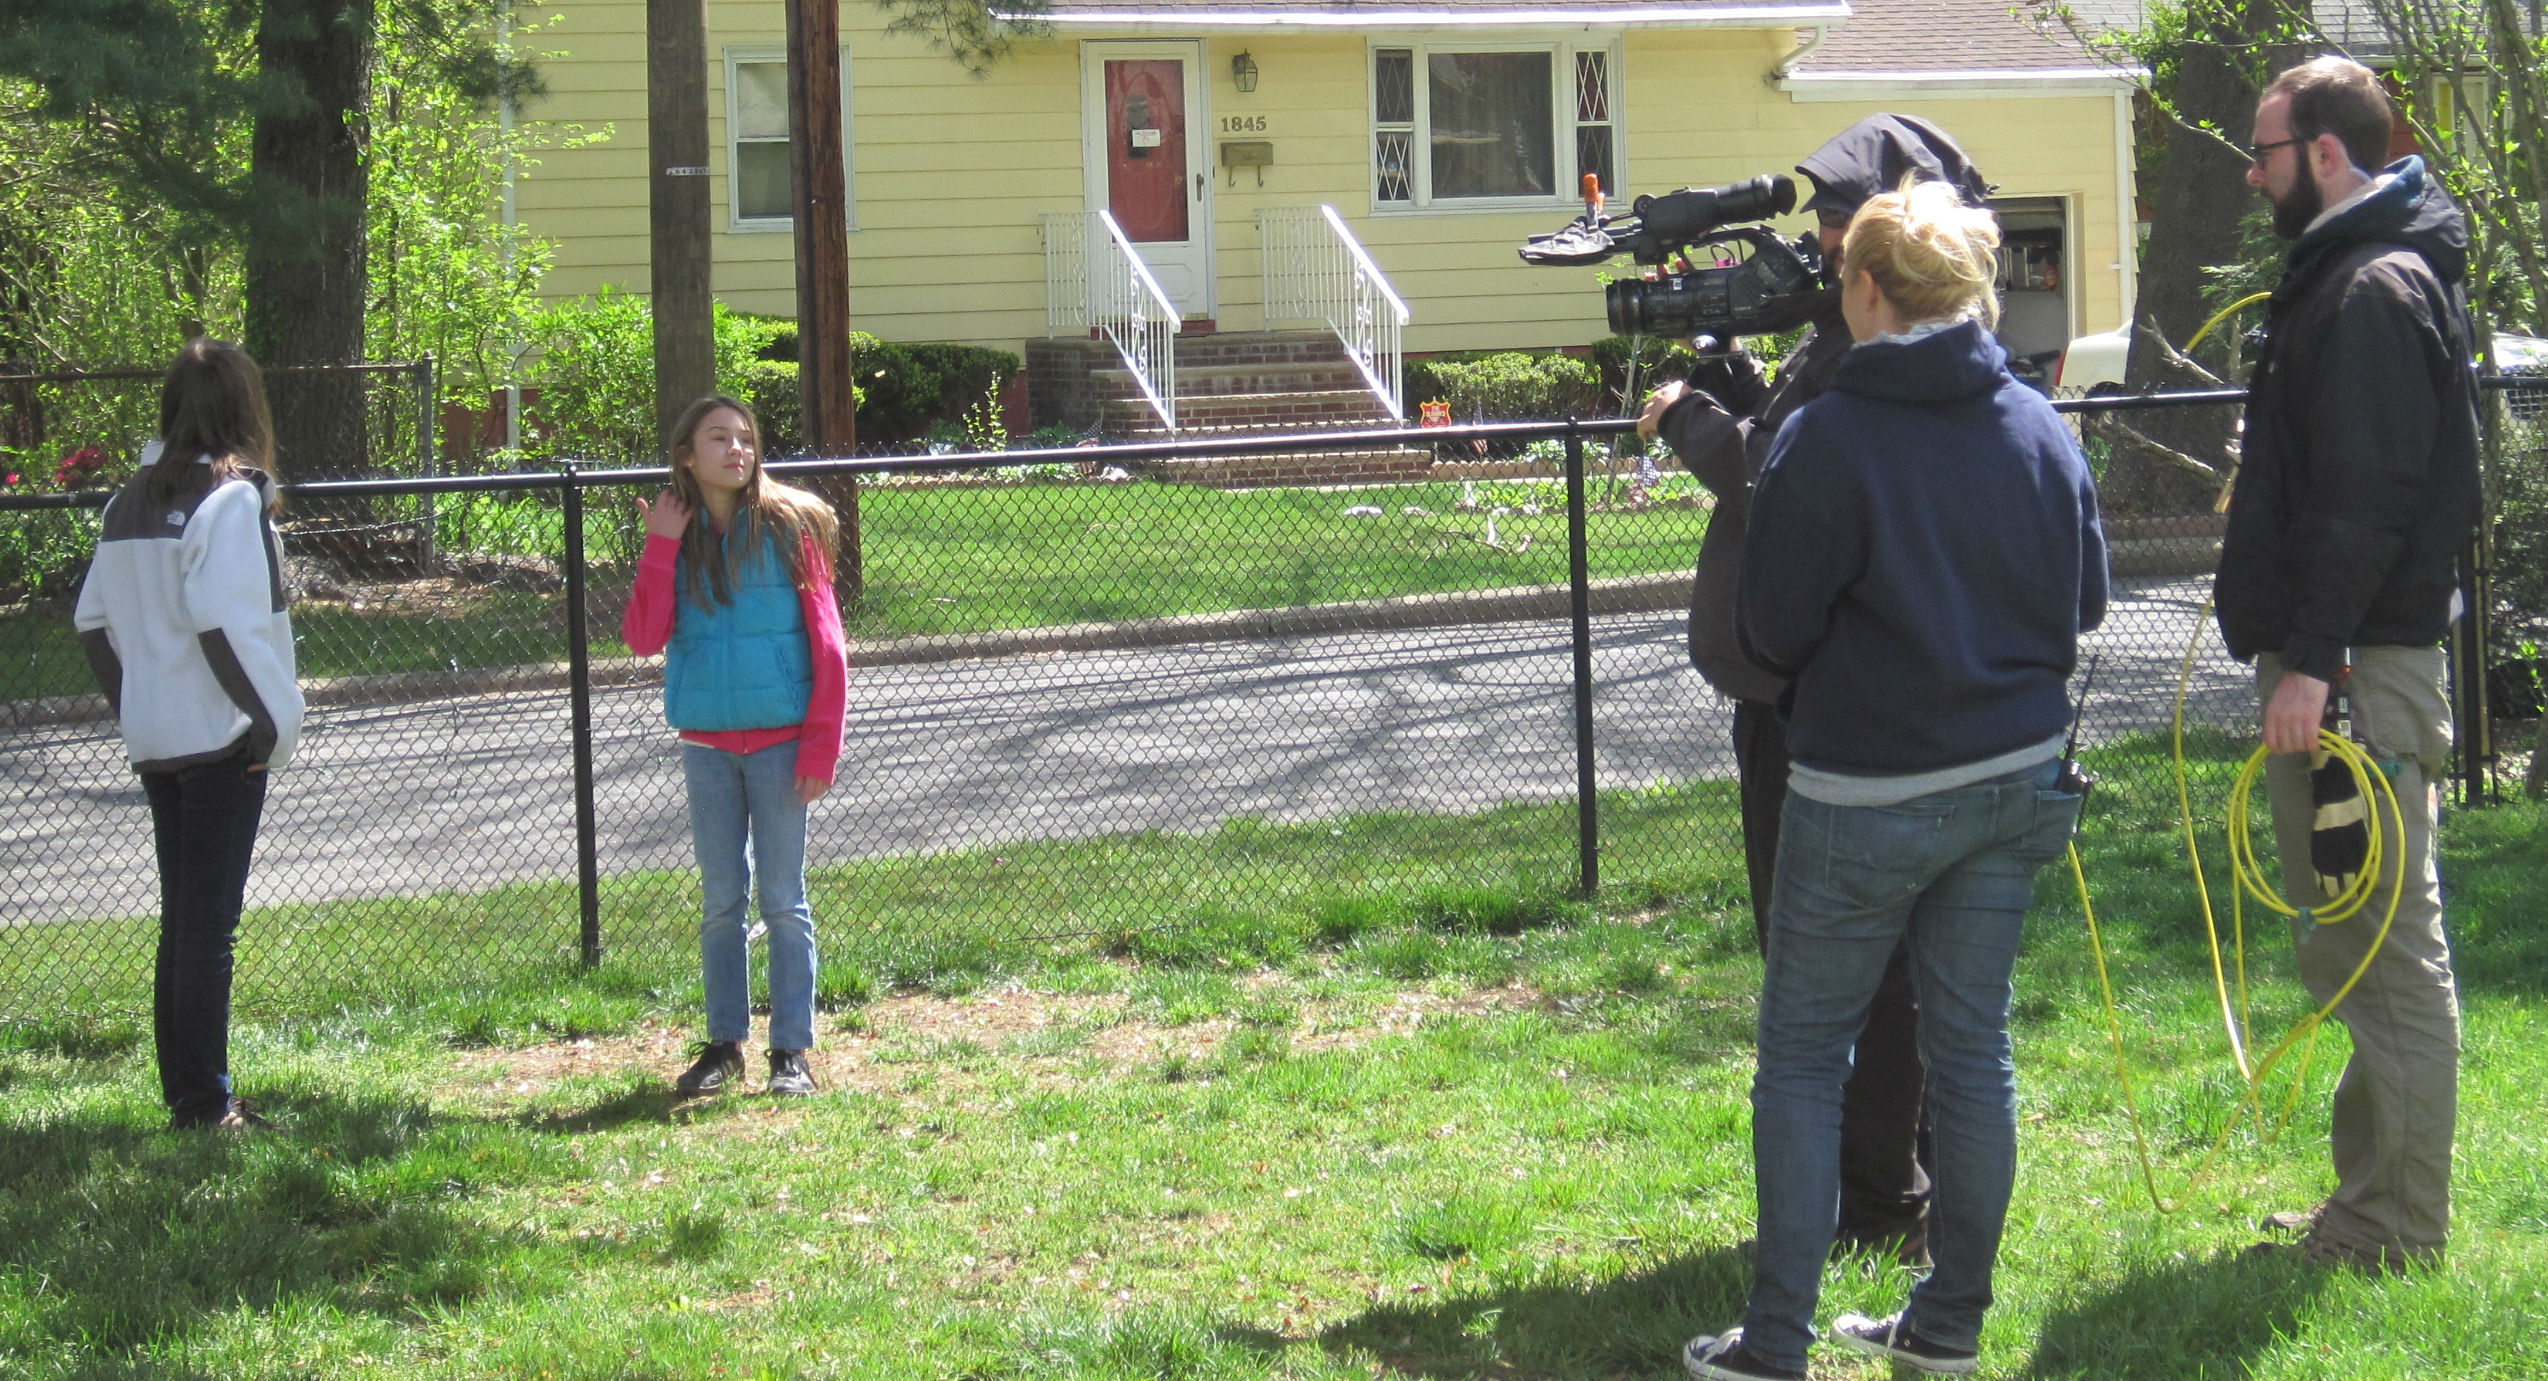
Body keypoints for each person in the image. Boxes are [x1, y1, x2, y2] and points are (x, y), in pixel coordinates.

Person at [1682, 178, 2107, 1381]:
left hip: (1867, 788)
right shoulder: (2036, 423)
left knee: (1806, 1059)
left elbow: (1774, 625)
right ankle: (1947, 1325)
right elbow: (2084, 603)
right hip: (2015, 777)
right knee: (1971, 1051)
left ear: (1865, 289)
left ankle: (1774, 1342)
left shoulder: (1830, 433)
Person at [1639, 113, 1993, 1264]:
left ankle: (1874, 1195)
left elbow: (1778, 479)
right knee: (1889, 970)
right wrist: (1731, 372)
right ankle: (1899, 1189)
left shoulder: (1875, 350)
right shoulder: (1865, 341)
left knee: (1845, 971)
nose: (1823, 249)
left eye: (1842, 228)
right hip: (1859, 709)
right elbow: (1787, 437)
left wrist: (1690, 422)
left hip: (1824, 708)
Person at [2220, 55, 2478, 1273]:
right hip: (2350, 667)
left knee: (2381, 945)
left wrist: (2311, 665)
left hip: (2359, 678)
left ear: (2325, 153)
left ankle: (2394, 1230)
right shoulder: (2353, 272)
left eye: (2263, 152)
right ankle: (2366, 1207)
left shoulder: (2371, 286)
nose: (2254, 174)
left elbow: (2366, 504)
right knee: (2354, 940)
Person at [73, 339, 304, 1131]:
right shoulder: (231, 499)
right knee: (209, 928)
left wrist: (138, 700)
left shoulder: (128, 498)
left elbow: (92, 623)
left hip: (158, 738)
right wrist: (268, 724)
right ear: (246, 407)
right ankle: (206, 1105)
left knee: (185, 921)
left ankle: (191, 1096)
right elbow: (222, 620)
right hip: (221, 741)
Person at [622, 395, 849, 1098]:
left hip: (783, 746)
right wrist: (660, 546)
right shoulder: (677, 536)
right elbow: (642, 636)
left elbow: (829, 646)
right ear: (686, 455)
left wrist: (820, 747)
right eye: (717, 438)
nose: (736, 449)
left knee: (784, 899)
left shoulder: (790, 527)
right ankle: (724, 1044)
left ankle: (792, 1052)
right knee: (723, 898)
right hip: (709, 747)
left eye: (746, 438)